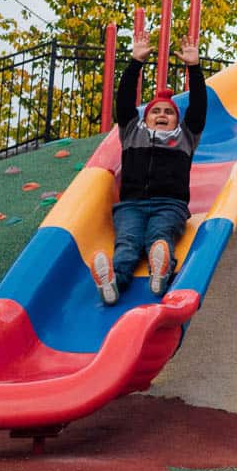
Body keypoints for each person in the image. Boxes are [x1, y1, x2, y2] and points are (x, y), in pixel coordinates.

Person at [92, 29, 205, 305]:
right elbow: (124, 102)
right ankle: (112, 283)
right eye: (156, 111)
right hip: (131, 205)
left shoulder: (185, 137)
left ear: (177, 121)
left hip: (170, 205)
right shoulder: (132, 132)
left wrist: (194, 67)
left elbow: (199, 107)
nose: (162, 115)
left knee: (160, 236)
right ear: (146, 117)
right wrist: (135, 63)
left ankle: (161, 271)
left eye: (168, 112)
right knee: (127, 245)